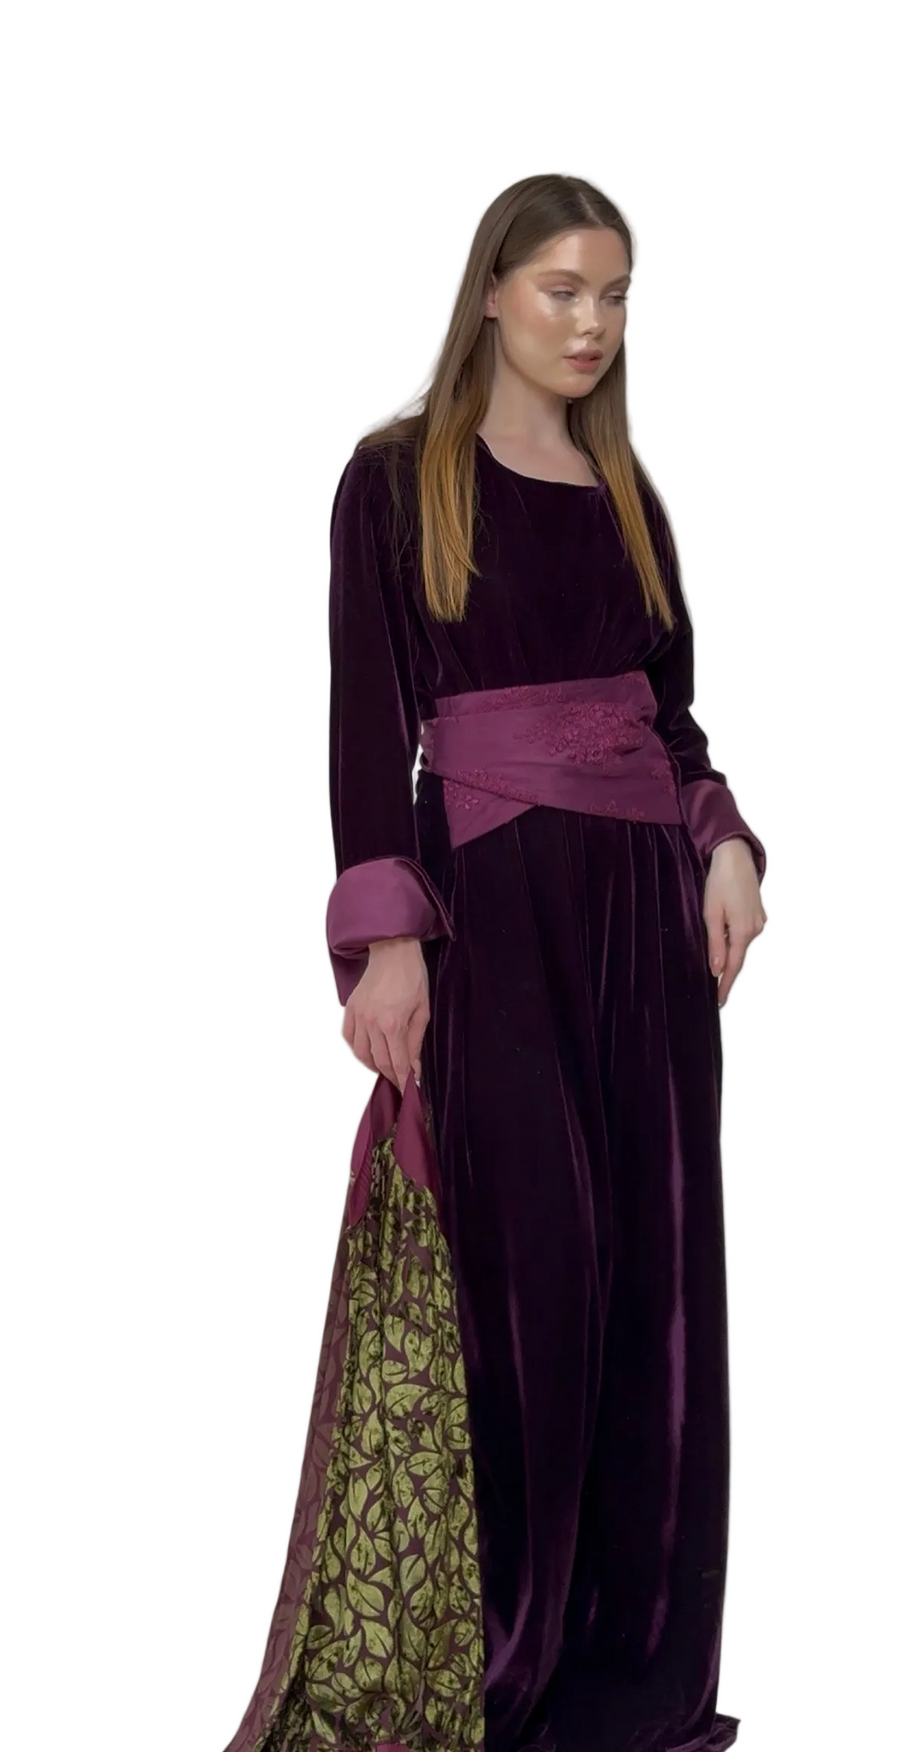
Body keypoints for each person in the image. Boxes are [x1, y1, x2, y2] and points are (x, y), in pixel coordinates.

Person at [231, 174, 768, 1752]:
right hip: (498, 919)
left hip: (645, 934)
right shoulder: (398, 482)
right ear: (489, 292)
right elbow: (365, 728)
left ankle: (631, 1682)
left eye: (616, 294)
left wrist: (726, 841)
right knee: (529, 1280)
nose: (593, 324)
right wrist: (387, 941)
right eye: (562, 290)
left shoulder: (628, 497)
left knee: (654, 1289)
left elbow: (670, 720)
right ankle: (498, 1667)